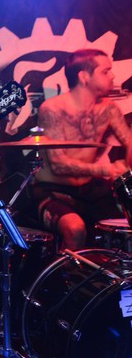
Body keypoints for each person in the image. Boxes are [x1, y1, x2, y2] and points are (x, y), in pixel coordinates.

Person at [32, 49, 132, 251]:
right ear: (84, 77)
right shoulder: (53, 108)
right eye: (105, 71)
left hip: (89, 192)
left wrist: (126, 165)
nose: (112, 76)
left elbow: (129, 142)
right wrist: (107, 169)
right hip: (54, 191)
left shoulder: (108, 108)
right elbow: (59, 165)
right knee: (75, 228)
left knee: (123, 226)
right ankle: (66, 272)